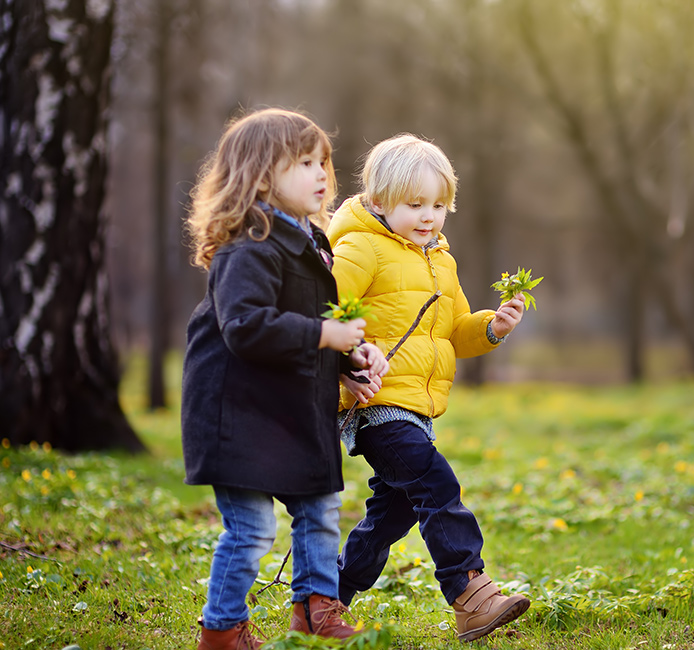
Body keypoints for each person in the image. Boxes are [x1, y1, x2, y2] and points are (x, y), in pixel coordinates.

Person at [181, 107, 389, 650]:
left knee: (318, 509)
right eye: (304, 162)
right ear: (260, 174)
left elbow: (324, 323)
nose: (323, 174)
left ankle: (316, 609)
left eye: (324, 161)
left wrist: (354, 357)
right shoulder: (248, 245)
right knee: (250, 529)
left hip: (296, 407)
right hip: (239, 411)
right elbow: (246, 327)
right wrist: (325, 337)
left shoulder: (314, 244)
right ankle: (222, 630)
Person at [327, 133, 530, 642]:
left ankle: (328, 593)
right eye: (414, 204)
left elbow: (455, 331)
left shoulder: (441, 260)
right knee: (437, 484)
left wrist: (492, 327)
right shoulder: (360, 247)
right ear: (378, 201)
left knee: (391, 514)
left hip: (417, 410)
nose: (428, 216)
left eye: (439, 205)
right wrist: (350, 359)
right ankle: (470, 593)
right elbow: (326, 309)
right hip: (375, 403)